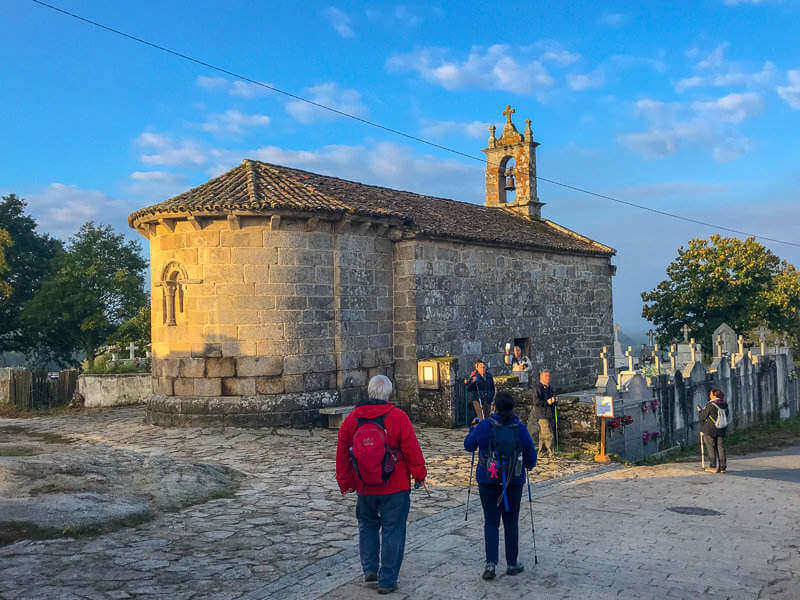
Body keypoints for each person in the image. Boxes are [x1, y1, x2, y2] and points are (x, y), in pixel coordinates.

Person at [335, 375, 427, 594]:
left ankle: (370, 570)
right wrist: (419, 474)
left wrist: (345, 481)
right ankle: (387, 579)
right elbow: (411, 449)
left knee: (367, 526)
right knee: (392, 529)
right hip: (394, 485)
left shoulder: (352, 419)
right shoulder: (398, 417)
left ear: (369, 392)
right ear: (389, 393)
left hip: (365, 485)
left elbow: (342, 452)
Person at [464, 392, 537, 580]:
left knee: (491, 522)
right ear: (512, 408)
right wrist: (526, 464)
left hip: (488, 480)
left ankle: (491, 564)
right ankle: (512, 563)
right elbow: (531, 456)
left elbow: (469, 446)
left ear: (494, 407)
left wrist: (473, 429)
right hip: (513, 481)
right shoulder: (519, 428)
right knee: (511, 522)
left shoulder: (485, 426)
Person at [698, 388, 729, 473]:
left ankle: (713, 466)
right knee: (721, 447)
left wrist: (700, 411)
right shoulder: (725, 404)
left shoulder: (710, 405)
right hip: (721, 428)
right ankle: (723, 467)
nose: (710, 395)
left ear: (714, 395)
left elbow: (702, 417)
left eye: (711, 394)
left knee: (711, 447)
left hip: (710, 429)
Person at [530, 370, 557, 457]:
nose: (548, 378)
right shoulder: (537, 388)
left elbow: (552, 398)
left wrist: (554, 400)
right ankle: (551, 452)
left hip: (549, 413)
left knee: (543, 434)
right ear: (541, 377)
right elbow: (536, 401)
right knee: (548, 433)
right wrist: (548, 402)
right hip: (542, 414)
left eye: (549, 376)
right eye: (546, 376)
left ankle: (541, 452)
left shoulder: (549, 387)